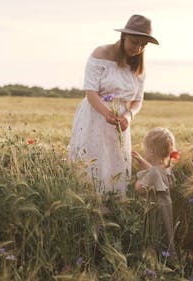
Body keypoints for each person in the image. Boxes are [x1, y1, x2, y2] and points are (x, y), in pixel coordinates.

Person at [68, 15, 159, 197]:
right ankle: (87, 205)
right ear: (124, 36)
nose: (138, 48)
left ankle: (113, 208)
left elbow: (137, 101)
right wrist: (107, 113)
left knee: (114, 166)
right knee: (91, 164)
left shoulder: (139, 68)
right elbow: (91, 92)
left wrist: (128, 116)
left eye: (143, 45)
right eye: (135, 42)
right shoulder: (100, 54)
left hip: (120, 124)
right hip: (94, 117)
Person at [132, 127, 179, 256]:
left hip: (156, 212)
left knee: (156, 237)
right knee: (167, 236)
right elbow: (156, 172)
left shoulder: (153, 173)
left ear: (152, 151)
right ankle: (170, 259)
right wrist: (143, 161)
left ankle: (156, 261)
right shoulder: (167, 169)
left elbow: (139, 188)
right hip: (166, 210)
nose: (145, 151)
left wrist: (138, 180)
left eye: (146, 149)